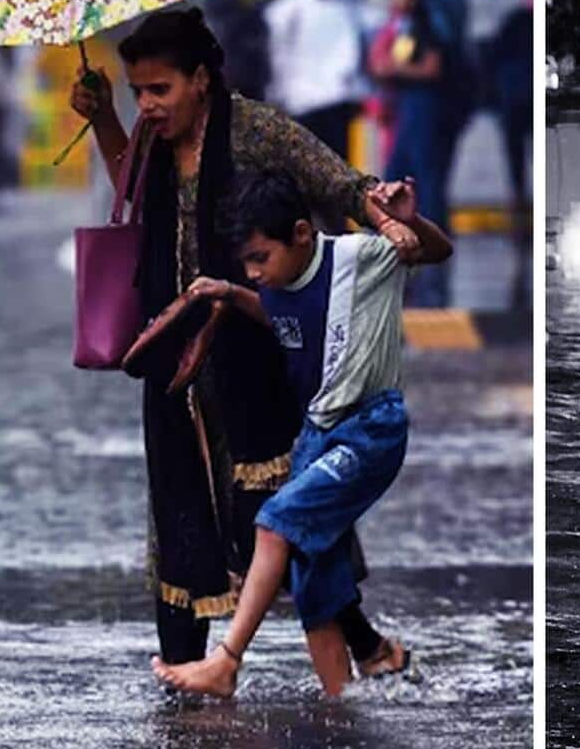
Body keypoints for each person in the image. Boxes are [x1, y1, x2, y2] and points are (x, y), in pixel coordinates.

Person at [67, 7, 421, 678]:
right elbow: (135, 198)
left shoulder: (256, 129)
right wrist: (105, 120)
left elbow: (333, 180)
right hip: (175, 355)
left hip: (253, 351)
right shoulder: (148, 136)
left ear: (201, 79)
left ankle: (363, 645)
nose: (148, 104)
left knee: (281, 509)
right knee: (179, 507)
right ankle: (185, 668)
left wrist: (386, 213)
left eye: (159, 90)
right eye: (138, 90)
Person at [152, 172, 451, 696]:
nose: (254, 271)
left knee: (275, 523)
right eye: (246, 263)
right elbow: (278, 319)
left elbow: (437, 251)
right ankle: (341, 702)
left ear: (301, 234)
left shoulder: (359, 259)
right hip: (318, 433)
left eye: (260, 258)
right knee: (314, 578)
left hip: (368, 430)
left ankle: (226, 661)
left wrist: (408, 223)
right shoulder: (276, 283)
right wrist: (230, 292)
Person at [370, 0, 453, 307]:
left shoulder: (425, 27)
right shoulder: (404, 26)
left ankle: (427, 234)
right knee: (400, 169)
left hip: (424, 107)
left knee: (422, 175)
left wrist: (393, 69)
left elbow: (430, 68)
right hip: (409, 107)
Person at [264, 0, 367, 158]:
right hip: (302, 100)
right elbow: (276, 48)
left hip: (338, 99)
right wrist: (277, 92)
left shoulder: (353, 7)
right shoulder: (293, 7)